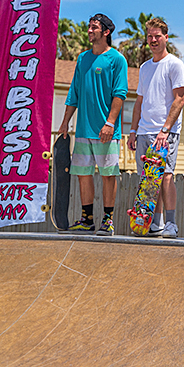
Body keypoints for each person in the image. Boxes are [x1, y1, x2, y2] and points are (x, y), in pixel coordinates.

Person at [57, 13, 129, 235]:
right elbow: (74, 93)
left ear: (106, 32)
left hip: (107, 131)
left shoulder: (117, 59)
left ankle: (107, 220)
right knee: (83, 173)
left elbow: (120, 94)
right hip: (83, 130)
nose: (89, 31)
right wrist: (65, 123)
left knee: (108, 175)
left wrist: (110, 123)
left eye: (94, 27)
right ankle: (87, 219)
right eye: (89, 27)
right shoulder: (82, 58)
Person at [126, 17, 184, 238]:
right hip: (143, 130)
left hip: (165, 132)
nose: (153, 40)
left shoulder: (174, 64)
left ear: (166, 37)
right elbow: (139, 102)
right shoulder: (144, 67)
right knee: (148, 181)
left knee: (166, 176)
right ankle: (155, 222)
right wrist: (133, 131)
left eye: (157, 36)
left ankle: (171, 223)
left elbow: (180, 99)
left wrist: (165, 129)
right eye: (150, 36)